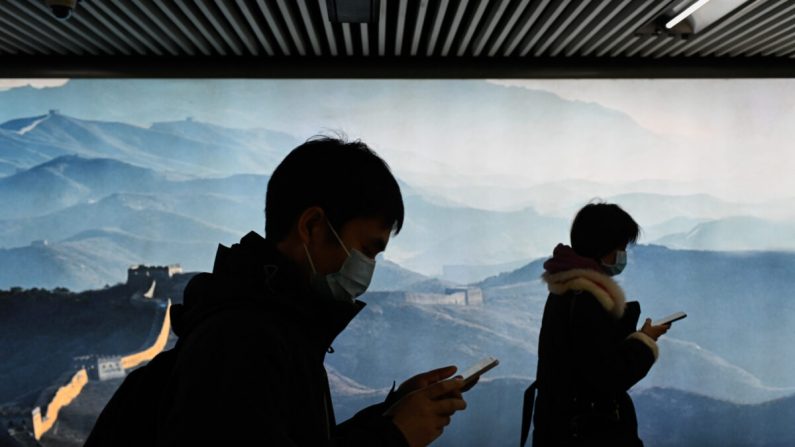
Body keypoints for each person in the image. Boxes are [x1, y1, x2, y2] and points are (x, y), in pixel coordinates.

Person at [85, 137, 470, 446]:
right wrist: (391, 437)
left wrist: (388, 417)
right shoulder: (243, 342)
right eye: (367, 250)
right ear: (313, 226)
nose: (368, 268)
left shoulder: (275, 326)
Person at [524, 202, 669, 447]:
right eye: (621, 248)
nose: (623, 256)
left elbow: (586, 360)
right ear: (605, 250)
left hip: (559, 428)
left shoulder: (566, 290)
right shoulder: (587, 300)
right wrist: (645, 341)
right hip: (587, 433)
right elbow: (607, 377)